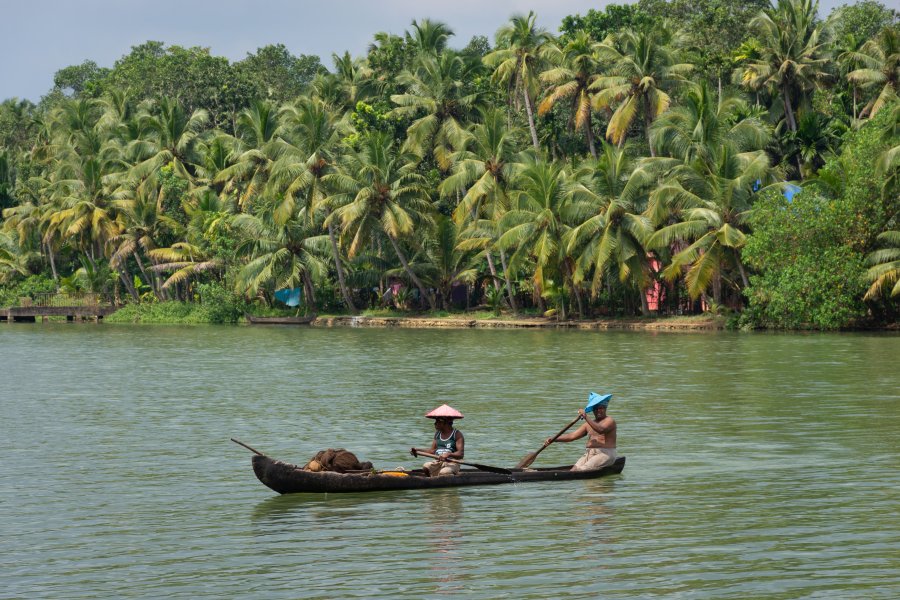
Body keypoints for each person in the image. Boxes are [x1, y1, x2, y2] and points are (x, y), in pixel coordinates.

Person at [549, 392, 617, 471]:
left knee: (581, 470)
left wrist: (585, 416)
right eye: (596, 408)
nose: (598, 410)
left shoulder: (610, 421)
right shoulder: (588, 424)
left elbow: (600, 430)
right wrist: (554, 439)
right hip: (589, 453)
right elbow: (572, 436)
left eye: (601, 408)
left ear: (605, 408)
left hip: (605, 454)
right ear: (593, 410)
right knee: (573, 470)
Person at [411, 404, 465, 476]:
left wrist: (448, 454)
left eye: (438, 421)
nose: (435, 423)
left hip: (452, 463)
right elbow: (432, 451)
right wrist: (417, 450)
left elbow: (461, 454)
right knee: (426, 466)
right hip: (438, 462)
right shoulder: (437, 434)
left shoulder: (457, 434)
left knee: (445, 472)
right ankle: (431, 480)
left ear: (445, 422)